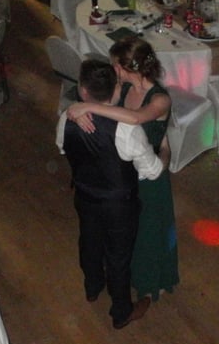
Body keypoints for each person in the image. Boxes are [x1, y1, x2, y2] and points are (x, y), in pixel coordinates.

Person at [66, 37, 178, 303]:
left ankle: (149, 283)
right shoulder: (122, 87)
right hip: (122, 175)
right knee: (126, 236)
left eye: (115, 64)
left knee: (148, 233)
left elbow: (136, 118)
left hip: (149, 178)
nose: (112, 69)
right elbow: (104, 106)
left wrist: (86, 106)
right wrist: (77, 112)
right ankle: (126, 280)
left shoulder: (160, 98)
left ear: (124, 67)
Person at [57, 59, 164, 329]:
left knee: (89, 241)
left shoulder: (67, 118)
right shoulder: (127, 129)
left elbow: (63, 147)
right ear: (116, 91)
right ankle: (121, 311)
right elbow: (152, 171)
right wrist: (165, 153)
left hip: (84, 196)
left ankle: (92, 287)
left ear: (82, 90)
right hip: (119, 205)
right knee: (118, 256)